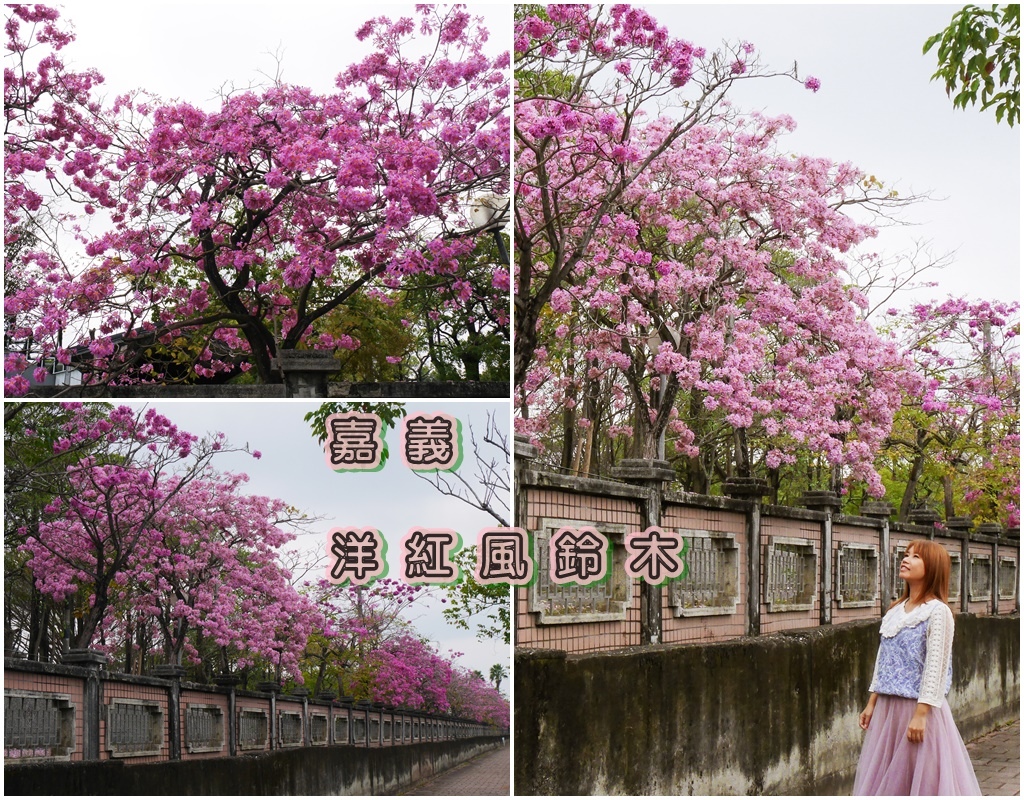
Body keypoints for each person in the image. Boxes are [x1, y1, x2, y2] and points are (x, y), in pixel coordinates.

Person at [853, 539, 981, 795]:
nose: (906, 559)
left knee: (924, 781)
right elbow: (884, 659)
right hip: (888, 711)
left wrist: (921, 714)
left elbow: (936, 666)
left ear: (933, 567)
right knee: (890, 782)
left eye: (916, 557)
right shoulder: (894, 611)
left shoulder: (937, 612)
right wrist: (872, 701)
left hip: (918, 708)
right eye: (906, 554)